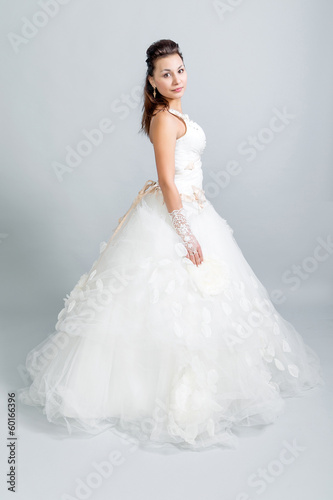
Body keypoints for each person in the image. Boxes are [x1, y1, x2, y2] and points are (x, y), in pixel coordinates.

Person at [18, 39, 324, 451]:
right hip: (176, 213)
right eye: (166, 73)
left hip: (195, 207)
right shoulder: (163, 118)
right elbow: (166, 180)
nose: (176, 79)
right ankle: (148, 389)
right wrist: (185, 229)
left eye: (180, 70)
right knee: (161, 298)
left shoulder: (176, 112)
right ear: (152, 80)